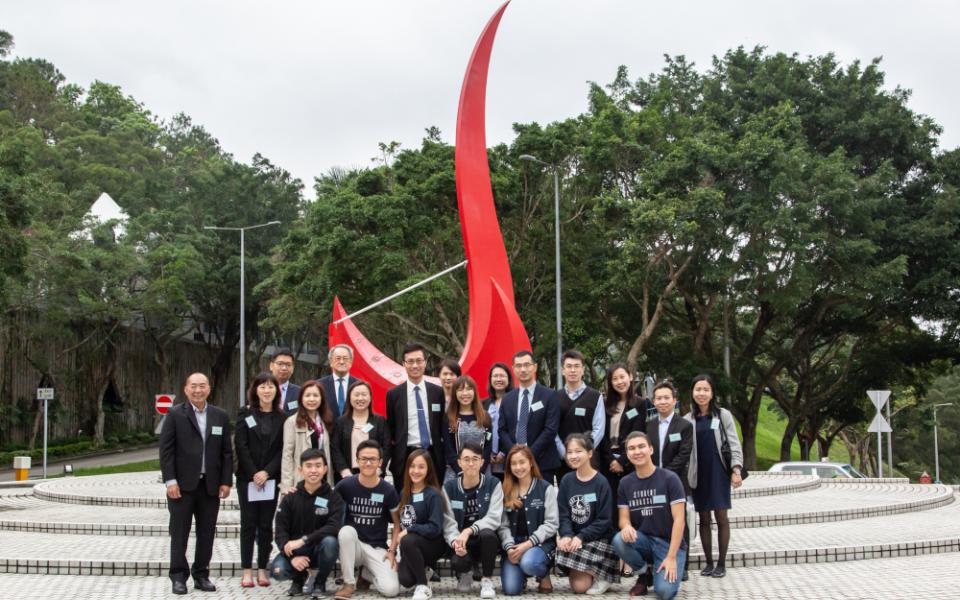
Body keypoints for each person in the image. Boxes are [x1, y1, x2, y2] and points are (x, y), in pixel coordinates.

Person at [159, 373, 233, 595]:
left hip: (209, 486)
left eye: (202, 386)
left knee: (207, 533)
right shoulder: (174, 415)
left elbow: (226, 453)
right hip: (181, 486)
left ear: (209, 389)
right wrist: (170, 480)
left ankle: (201, 574)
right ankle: (178, 577)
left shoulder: (220, 416)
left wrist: (226, 481)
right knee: (179, 532)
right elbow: (166, 451)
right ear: (186, 389)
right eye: (194, 386)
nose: (198, 390)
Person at [612, 432, 687, 600]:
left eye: (641, 446)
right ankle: (644, 574)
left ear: (651, 449)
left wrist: (671, 557)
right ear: (627, 453)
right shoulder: (625, 483)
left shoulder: (670, 479)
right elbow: (623, 518)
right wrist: (627, 526)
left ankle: (661, 568)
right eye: (631, 448)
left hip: (669, 545)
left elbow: (680, 521)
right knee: (619, 539)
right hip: (644, 540)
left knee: (665, 592)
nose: (637, 452)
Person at [682, 374, 743, 578]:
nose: (701, 393)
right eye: (698, 389)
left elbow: (734, 443)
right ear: (692, 392)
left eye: (705, 389)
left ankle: (722, 563)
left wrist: (736, 469)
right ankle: (708, 563)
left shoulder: (722, 415)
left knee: (721, 516)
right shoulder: (687, 419)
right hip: (698, 473)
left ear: (712, 392)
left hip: (718, 471)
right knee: (703, 518)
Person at [234, 372, 287, 588]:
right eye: (262, 386)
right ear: (255, 390)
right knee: (248, 524)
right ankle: (247, 570)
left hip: (270, 480)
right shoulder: (245, 413)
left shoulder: (283, 417)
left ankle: (263, 569)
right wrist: (254, 472)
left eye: (271, 386)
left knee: (265, 525)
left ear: (276, 390)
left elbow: (283, 449)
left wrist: (267, 472)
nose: (267, 390)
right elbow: (241, 445)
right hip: (247, 479)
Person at [333, 440, 402, 600]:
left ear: (380, 462)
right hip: (353, 546)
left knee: (391, 590)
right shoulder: (345, 485)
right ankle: (349, 583)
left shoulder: (388, 490)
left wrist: (392, 551)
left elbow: (397, 523)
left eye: (373, 459)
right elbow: (326, 499)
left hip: (376, 547)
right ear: (357, 461)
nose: (368, 463)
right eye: (364, 459)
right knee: (346, 532)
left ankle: (366, 574)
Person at [272, 448, 345, 597]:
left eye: (318, 466)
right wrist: (292, 557)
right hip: (296, 551)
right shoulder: (290, 497)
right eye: (309, 466)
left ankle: (320, 582)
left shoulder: (333, 497)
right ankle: (298, 580)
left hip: (320, 549)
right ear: (300, 469)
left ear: (325, 469)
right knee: (277, 571)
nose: (313, 470)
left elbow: (334, 526)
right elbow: (280, 530)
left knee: (331, 543)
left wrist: (304, 540)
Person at [555, 434, 619, 595]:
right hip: (576, 539)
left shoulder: (601, 482)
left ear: (589, 453)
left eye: (578, 451)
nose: (573, 456)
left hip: (598, 539)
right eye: (569, 452)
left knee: (580, 585)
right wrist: (567, 535)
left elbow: (604, 520)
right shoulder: (567, 481)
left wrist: (581, 537)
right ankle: (594, 570)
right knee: (578, 586)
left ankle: (605, 573)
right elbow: (563, 514)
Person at [645, 381, 693, 581]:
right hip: (651, 482)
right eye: (658, 398)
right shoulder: (649, 425)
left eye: (666, 398)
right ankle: (655, 562)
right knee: (655, 519)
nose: (662, 401)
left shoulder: (684, 425)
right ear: (653, 401)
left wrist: (664, 475)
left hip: (676, 481)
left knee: (680, 521)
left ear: (674, 400)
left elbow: (684, 455)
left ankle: (684, 564)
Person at [443, 442, 504, 598]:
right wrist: (456, 542)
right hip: (461, 540)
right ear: (459, 462)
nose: (471, 463)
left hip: (483, 538)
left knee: (489, 535)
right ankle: (466, 573)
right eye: (466, 459)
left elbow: (494, 517)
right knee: (458, 561)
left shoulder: (494, 484)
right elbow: (448, 522)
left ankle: (487, 580)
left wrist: (469, 530)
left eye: (475, 459)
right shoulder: (449, 488)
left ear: (482, 462)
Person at [497, 445, 558, 596]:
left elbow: (552, 524)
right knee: (511, 590)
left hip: (539, 544)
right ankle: (521, 576)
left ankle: (543, 574)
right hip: (514, 545)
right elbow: (502, 526)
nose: (518, 467)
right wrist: (510, 548)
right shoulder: (505, 490)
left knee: (530, 563)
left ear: (531, 462)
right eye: (514, 463)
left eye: (522, 462)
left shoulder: (546, 488)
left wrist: (528, 544)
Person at [386, 342, 446, 493]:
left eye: (419, 361)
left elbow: (440, 425)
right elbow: (392, 427)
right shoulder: (394, 395)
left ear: (425, 363)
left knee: (433, 496)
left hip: (433, 454)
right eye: (410, 361)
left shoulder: (438, 392)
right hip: (405, 455)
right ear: (403, 364)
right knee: (406, 499)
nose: (415, 365)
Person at [497, 350, 562, 484]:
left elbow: (550, 429)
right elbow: (502, 429)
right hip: (514, 464)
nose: (523, 369)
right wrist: (515, 453)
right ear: (513, 369)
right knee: (515, 502)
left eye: (527, 365)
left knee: (542, 502)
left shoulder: (549, 396)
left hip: (542, 462)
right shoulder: (507, 398)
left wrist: (529, 454)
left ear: (535, 367)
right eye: (518, 366)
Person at [395, 450, 447, 600]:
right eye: (412, 466)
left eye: (421, 467)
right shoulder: (405, 492)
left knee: (407, 539)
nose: (416, 471)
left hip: (433, 544)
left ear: (428, 469)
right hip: (411, 546)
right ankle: (424, 570)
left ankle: (423, 586)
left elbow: (435, 528)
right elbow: (404, 523)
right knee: (405, 580)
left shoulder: (434, 494)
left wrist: (410, 530)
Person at [598, 363, 652, 498]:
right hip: (607, 460)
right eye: (615, 379)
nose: (619, 382)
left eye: (622, 377)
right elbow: (601, 434)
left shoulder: (640, 404)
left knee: (631, 500)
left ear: (630, 377)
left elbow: (637, 432)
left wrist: (622, 461)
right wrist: (611, 460)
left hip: (630, 459)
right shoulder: (604, 404)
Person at [555, 350, 605, 481]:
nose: (573, 370)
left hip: (589, 459)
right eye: (569, 366)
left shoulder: (595, 396)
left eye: (577, 366)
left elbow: (599, 429)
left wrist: (584, 452)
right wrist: (566, 454)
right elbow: (552, 429)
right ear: (562, 370)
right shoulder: (554, 397)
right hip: (564, 461)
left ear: (583, 370)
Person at [331, 380, 390, 483]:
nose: (360, 398)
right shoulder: (341, 422)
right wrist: (344, 470)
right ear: (350, 398)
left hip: (374, 474)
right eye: (356, 395)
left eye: (364, 395)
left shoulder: (379, 421)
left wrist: (379, 469)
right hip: (347, 476)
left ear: (370, 397)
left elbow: (387, 447)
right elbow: (335, 448)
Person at [282, 380, 335, 494]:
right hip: (301, 479)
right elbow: (287, 455)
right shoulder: (292, 422)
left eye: (316, 395)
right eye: (307, 396)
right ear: (301, 398)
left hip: (322, 478)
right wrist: (286, 485)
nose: (311, 399)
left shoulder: (325, 421)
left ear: (322, 399)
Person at [444, 375, 493, 482]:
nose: (465, 393)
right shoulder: (449, 417)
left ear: (474, 392)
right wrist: (460, 471)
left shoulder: (485, 417)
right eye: (460, 390)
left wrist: (479, 472)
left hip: (482, 472)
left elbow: (488, 446)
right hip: (456, 473)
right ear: (455, 393)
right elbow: (448, 449)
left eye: (469, 389)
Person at [483, 363, 513, 481]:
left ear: (509, 379)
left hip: (509, 458)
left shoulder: (515, 401)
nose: (499, 379)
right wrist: (487, 452)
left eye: (502, 376)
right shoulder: (483, 404)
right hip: (488, 460)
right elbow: (481, 430)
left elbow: (515, 430)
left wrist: (504, 452)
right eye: (495, 376)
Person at [319, 344, 361, 421]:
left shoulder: (360, 385)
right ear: (331, 361)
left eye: (345, 358)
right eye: (338, 358)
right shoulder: (319, 385)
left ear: (351, 361)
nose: (341, 362)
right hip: (327, 430)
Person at [271, 348, 301, 415]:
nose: (284, 368)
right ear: (271, 366)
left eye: (288, 365)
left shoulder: (300, 392)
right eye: (280, 364)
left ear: (293, 368)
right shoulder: (260, 390)